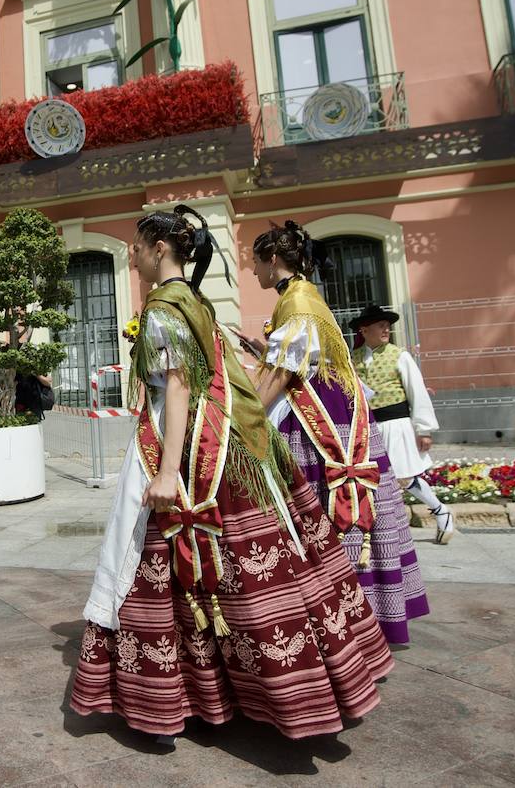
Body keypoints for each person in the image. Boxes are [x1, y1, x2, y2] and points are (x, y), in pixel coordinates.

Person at [70, 206, 392, 740]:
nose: (130, 253)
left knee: (158, 562)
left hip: (187, 445)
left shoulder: (163, 308)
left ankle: (177, 694)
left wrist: (168, 470)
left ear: (158, 250)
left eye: (136, 245)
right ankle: (290, 681)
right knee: (262, 564)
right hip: (226, 437)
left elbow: (175, 386)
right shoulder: (195, 300)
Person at [250, 221, 429, 644]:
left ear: (272, 260)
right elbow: (301, 356)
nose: (254, 271)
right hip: (340, 406)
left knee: (316, 509)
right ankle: (368, 611)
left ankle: (341, 622)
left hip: (318, 421)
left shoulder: (296, 303)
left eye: (255, 263)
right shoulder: (306, 297)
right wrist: (262, 350)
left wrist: (245, 414)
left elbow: (283, 373)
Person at [349, 304, 457, 544]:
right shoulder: (353, 359)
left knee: (402, 476)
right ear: (364, 330)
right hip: (370, 427)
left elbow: (416, 392)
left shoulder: (400, 356)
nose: (386, 329)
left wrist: (424, 429)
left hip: (397, 425)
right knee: (373, 478)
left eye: (388, 325)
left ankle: (441, 512)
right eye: (380, 325)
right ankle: (379, 529)